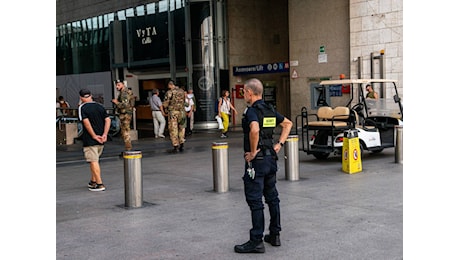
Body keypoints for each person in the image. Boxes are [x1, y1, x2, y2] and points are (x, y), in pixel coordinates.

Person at [234, 78, 293, 254]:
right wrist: (279, 144)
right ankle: (275, 235)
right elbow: (287, 124)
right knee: (272, 198)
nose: (244, 94)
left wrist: (252, 152)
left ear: (250, 92)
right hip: (270, 159)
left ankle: (256, 240)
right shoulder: (270, 109)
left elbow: (254, 130)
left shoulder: (252, 111)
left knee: (255, 201)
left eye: (244, 92)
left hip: (257, 162)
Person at [78, 89, 111, 192]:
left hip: (90, 139)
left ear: (81, 97)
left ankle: (100, 184)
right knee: (95, 160)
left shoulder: (82, 107)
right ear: (91, 96)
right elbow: (108, 119)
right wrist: (104, 134)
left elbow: (86, 122)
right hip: (101, 138)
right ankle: (93, 181)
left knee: (93, 161)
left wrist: (94, 136)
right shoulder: (100, 106)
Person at [163, 80, 186, 153]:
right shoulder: (182, 91)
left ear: (170, 85)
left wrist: (165, 108)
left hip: (173, 112)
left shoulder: (170, 92)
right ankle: (182, 142)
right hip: (182, 112)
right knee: (181, 127)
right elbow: (184, 101)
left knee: (173, 128)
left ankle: (175, 145)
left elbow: (166, 103)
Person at [112, 80, 135, 150]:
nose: (117, 87)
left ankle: (128, 148)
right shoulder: (126, 92)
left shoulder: (124, 93)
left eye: (118, 85)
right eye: (116, 85)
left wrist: (116, 103)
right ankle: (128, 147)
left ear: (122, 84)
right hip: (126, 113)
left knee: (125, 131)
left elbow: (125, 105)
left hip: (125, 114)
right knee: (125, 130)